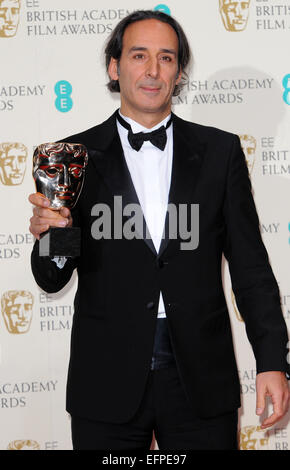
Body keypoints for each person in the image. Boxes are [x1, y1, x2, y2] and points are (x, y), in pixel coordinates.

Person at [28, 10, 290, 450]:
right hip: (105, 381)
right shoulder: (72, 157)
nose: (152, 70)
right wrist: (53, 235)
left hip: (201, 382)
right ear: (115, 67)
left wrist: (271, 362)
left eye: (166, 58)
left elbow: (251, 268)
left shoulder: (220, 152)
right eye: (139, 56)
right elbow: (52, 277)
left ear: (179, 71)